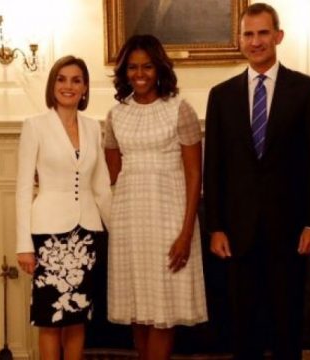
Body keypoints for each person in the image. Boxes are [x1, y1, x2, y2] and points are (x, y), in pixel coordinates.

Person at [203, 3, 310, 359]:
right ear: (240, 40)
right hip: (237, 234)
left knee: (288, 325)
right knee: (242, 328)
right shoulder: (221, 95)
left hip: (290, 232)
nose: (256, 41)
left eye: (262, 33)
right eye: (248, 34)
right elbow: (215, 167)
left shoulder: (306, 90)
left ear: (278, 36)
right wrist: (215, 227)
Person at [104, 34, 207, 360]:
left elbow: (194, 175)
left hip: (170, 218)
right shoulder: (116, 114)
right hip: (130, 220)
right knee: (138, 306)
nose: (140, 73)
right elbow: (113, 172)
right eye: (133, 67)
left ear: (159, 68)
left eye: (147, 66)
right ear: (124, 72)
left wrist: (187, 232)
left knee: (163, 309)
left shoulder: (180, 109)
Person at [15, 55, 111, 360]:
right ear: (52, 84)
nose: (68, 86)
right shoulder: (34, 126)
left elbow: (101, 186)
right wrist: (23, 245)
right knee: (50, 319)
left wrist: (118, 231)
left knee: (77, 315)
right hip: (48, 236)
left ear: (84, 89)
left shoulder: (94, 127)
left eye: (76, 80)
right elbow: (21, 188)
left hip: (87, 235)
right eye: (62, 79)